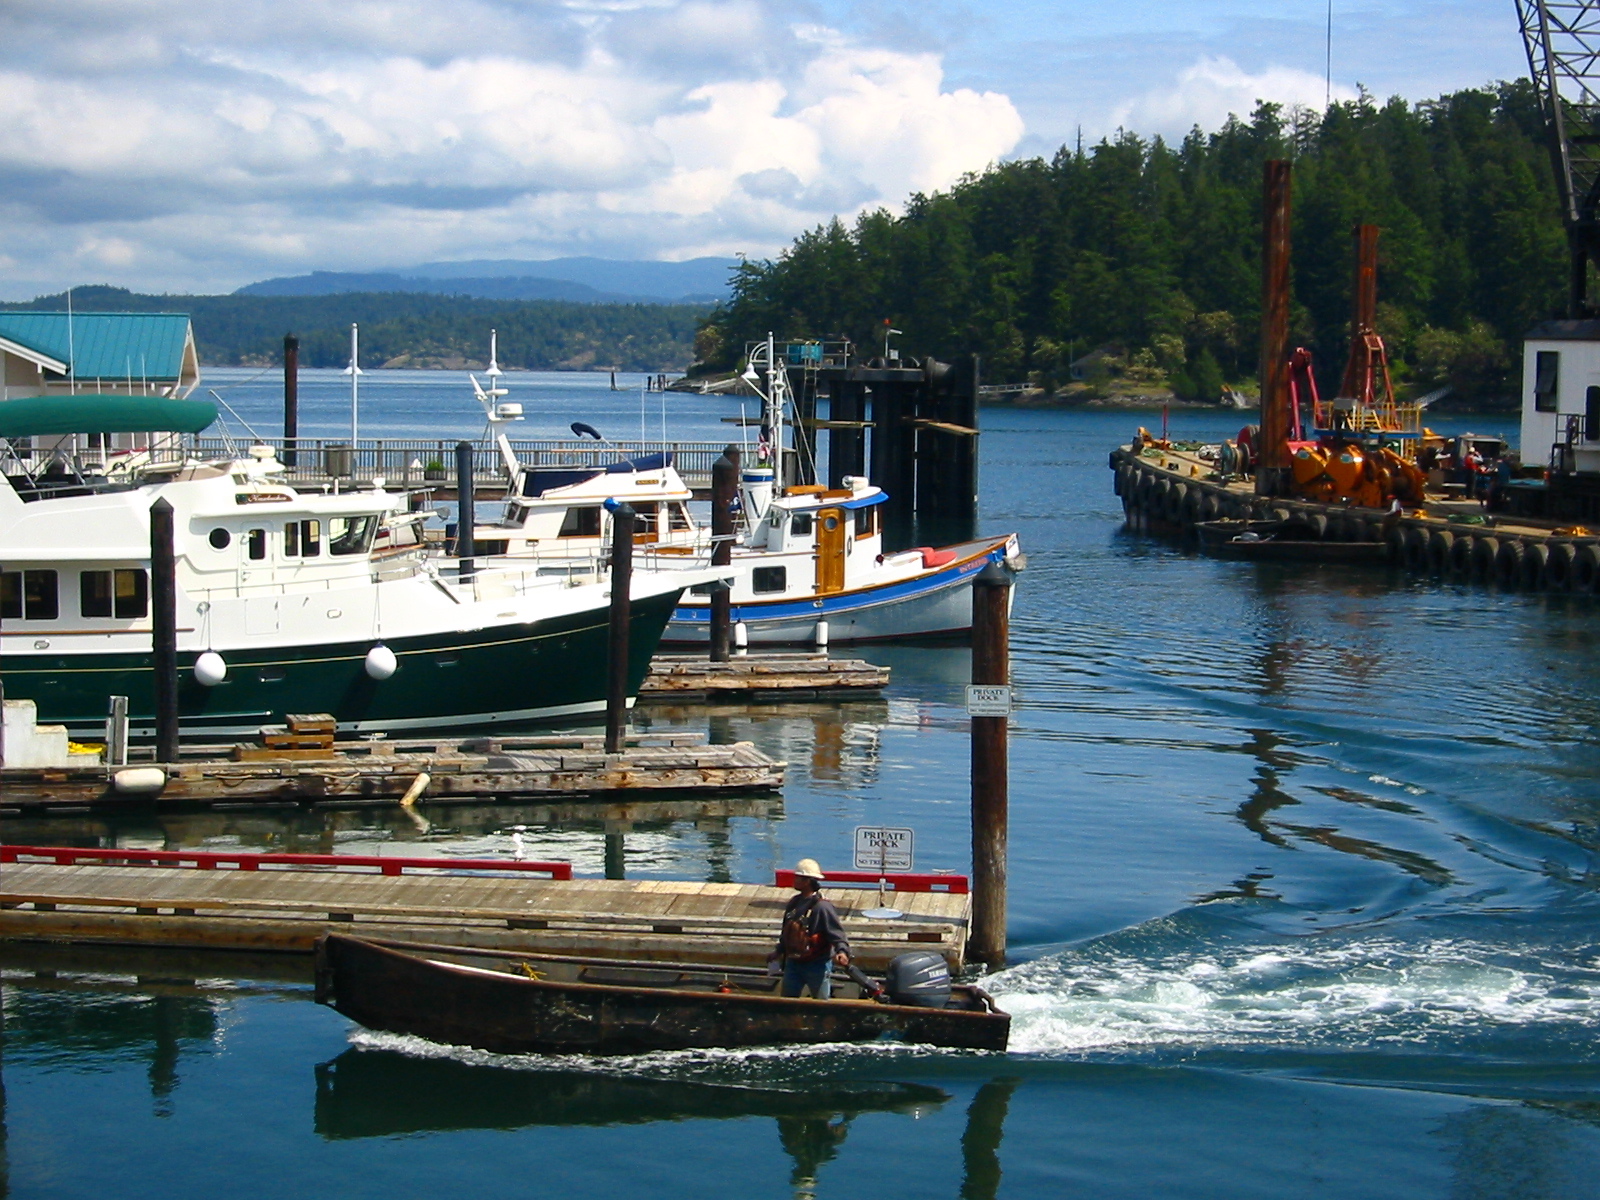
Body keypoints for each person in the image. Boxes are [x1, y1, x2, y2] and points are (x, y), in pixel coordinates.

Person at [769, 858, 851, 999]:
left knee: (820, 1004)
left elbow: (836, 934)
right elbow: (786, 933)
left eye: (798, 878)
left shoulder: (822, 907)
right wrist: (779, 951)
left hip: (817, 964)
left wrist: (842, 952)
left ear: (807, 881)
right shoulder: (794, 903)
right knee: (787, 1003)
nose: (794, 880)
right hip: (793, 963)